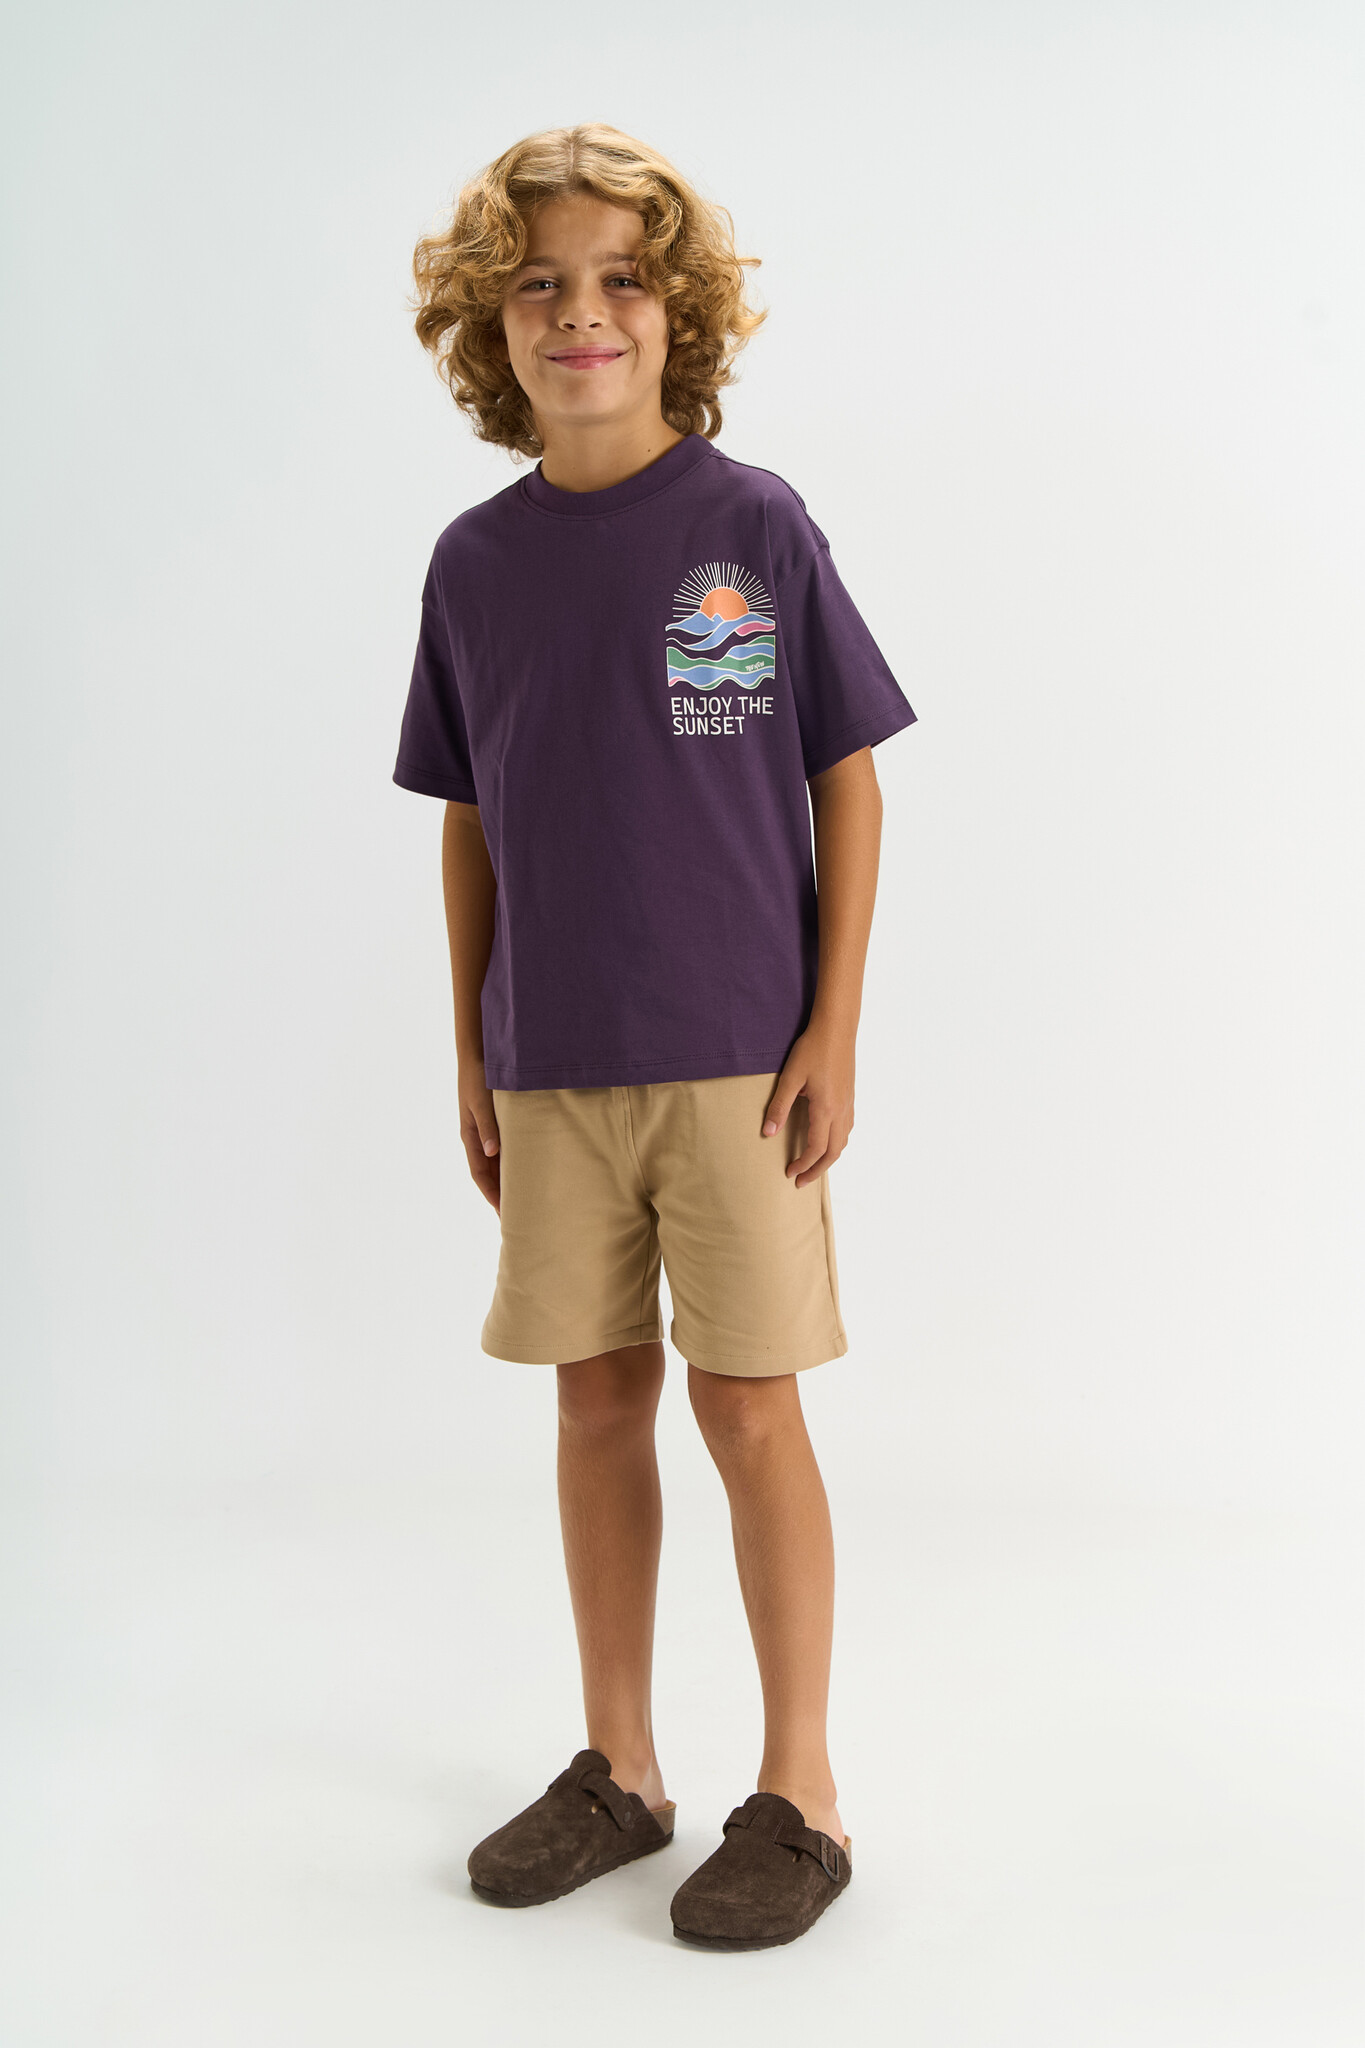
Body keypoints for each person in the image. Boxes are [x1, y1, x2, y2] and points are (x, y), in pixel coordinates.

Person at [393, 123, 916, 1952]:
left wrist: (832, 1025)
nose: (582, 313)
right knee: (594, 1396)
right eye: (540, 285)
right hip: (551, 1059)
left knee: (747, 1403)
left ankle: (803, 1792)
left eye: (621, 280)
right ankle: (620, 1767)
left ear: (675, 313)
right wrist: (471, 1048)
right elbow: (468, 816)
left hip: (736, 1061)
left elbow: (844, 780)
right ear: (491, 326)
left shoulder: (745, 526)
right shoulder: (472, 565)